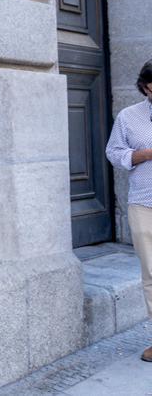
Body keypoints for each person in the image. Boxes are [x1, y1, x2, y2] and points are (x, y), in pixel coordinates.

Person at [106, 59, 152, 362]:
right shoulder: (128, 116)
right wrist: (143, 154)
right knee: (151, 273)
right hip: (144, 204)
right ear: (146, 87)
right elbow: (113, 152)